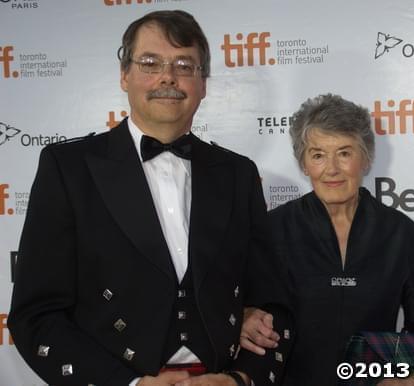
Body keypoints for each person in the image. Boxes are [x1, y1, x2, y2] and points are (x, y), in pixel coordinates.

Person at [8, 10, 292, 386]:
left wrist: (241, 379)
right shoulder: (68, 168)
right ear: (124, 75)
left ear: (203, 84)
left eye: (184, 65)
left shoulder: (238, 173)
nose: (167, 77)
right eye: (150, 62)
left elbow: (274, 305)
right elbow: (36, 315)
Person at [241, 94, 414, 386]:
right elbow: (237, 310)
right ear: (303, 164)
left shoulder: (400, 233)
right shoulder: (272, 229)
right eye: (317, 155)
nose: (331, 169)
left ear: (366, 159)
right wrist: (244, 317)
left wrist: (412, 380)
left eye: (344, 153)